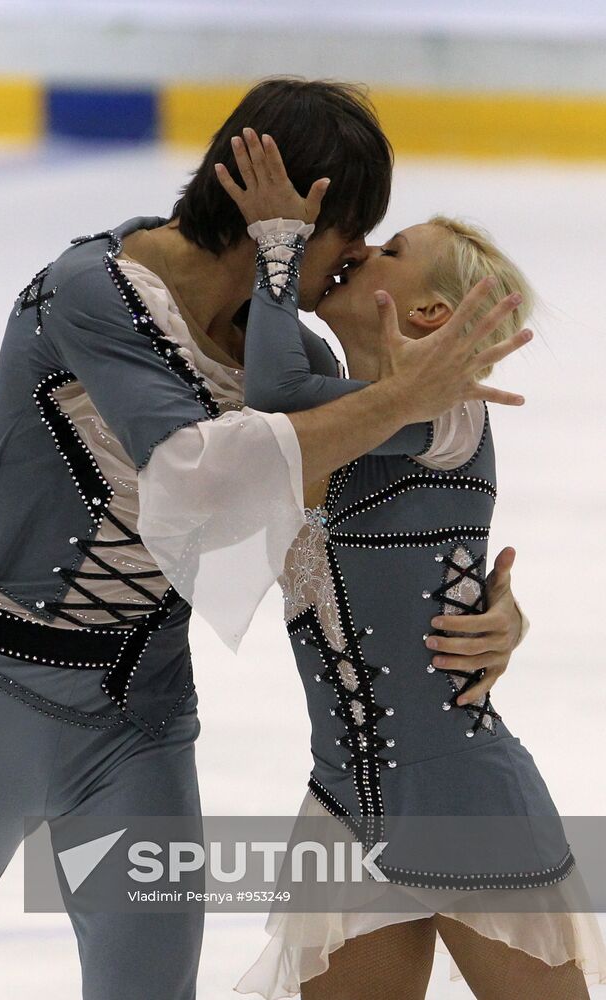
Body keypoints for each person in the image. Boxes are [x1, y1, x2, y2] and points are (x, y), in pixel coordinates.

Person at [0, 80, 528, 1000]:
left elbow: (371, 512)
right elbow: (198, 471)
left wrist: (491, 609)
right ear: (291, 216)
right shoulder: (93, 287)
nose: (349, 266)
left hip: (141, 720)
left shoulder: (284, 353)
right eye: (352, 236)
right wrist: (400, 397)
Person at [214, 130, 606, 999]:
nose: (358, 251)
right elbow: (264, 389)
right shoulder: (334, 397)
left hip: (467, 799)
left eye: (389, 251)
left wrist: (283, 248)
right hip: (345, 805)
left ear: (430, 317)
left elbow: (274, 392)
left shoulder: (448, 412)